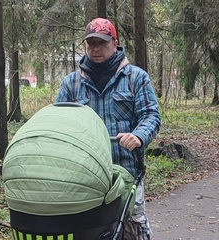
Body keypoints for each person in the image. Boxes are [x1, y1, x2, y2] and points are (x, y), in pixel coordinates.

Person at [55, 17, 161, 240]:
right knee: (89, 229)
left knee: (133, 225)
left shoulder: (135, 78)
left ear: (115, 43)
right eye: (91, 43)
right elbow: (59, 122)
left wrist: (138, 136)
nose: (96, 48)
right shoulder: (71, 83)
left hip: (126, 171)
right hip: (85, 175)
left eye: (102, 42)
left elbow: (151, 115)